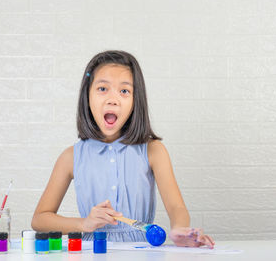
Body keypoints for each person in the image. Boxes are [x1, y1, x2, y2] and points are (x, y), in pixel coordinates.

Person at [31, 50, 215, 248]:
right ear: (87, 95)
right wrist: (84, 223)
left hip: (141, 252)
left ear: (136, 101)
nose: (113, 99)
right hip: (92, 252)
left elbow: (176, 207)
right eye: (102, 89)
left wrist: (180, 229)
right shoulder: (71, 157)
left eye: (124, 91)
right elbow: (40, 220)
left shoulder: (154, 151)